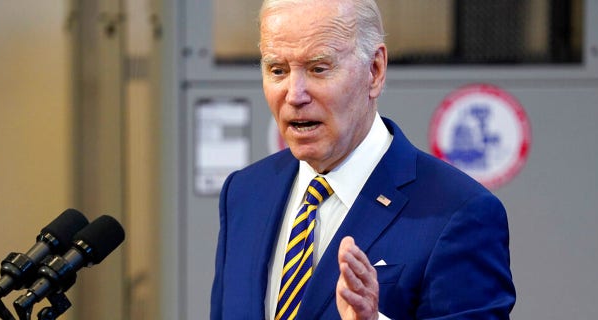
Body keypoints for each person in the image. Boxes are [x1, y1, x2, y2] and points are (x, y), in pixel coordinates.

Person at [211, 0, 516, 318]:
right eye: (278, 70)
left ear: (375, 71)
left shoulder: (459, 212)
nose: (294, 94)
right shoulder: (244, 193)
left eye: (318, 69)